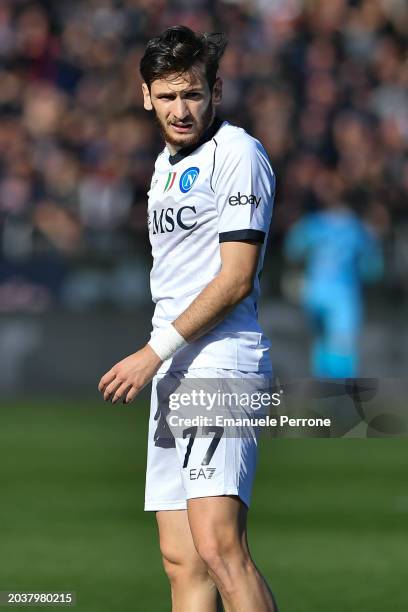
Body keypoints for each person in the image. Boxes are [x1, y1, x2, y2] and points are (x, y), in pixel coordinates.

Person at [98, 26, 278, 612]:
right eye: (169, 95)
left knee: (220, 547)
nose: (182, 109)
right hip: (175, 363)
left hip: (219, 361)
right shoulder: (163, 167)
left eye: (193, 94)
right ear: (146, 95)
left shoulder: (239, 155)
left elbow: (234, 279)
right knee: (182, 559)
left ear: (215, 91)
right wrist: (162, 355)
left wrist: (152, 352)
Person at [284, 196, 383, 378]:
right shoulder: (357, 228)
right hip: (344, 294)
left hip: (314, 292)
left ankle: (322, 388)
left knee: (321, 341)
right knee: (342, 344)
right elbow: (373, 268)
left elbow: (293, 250)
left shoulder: (313, 224)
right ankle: (341, 394)